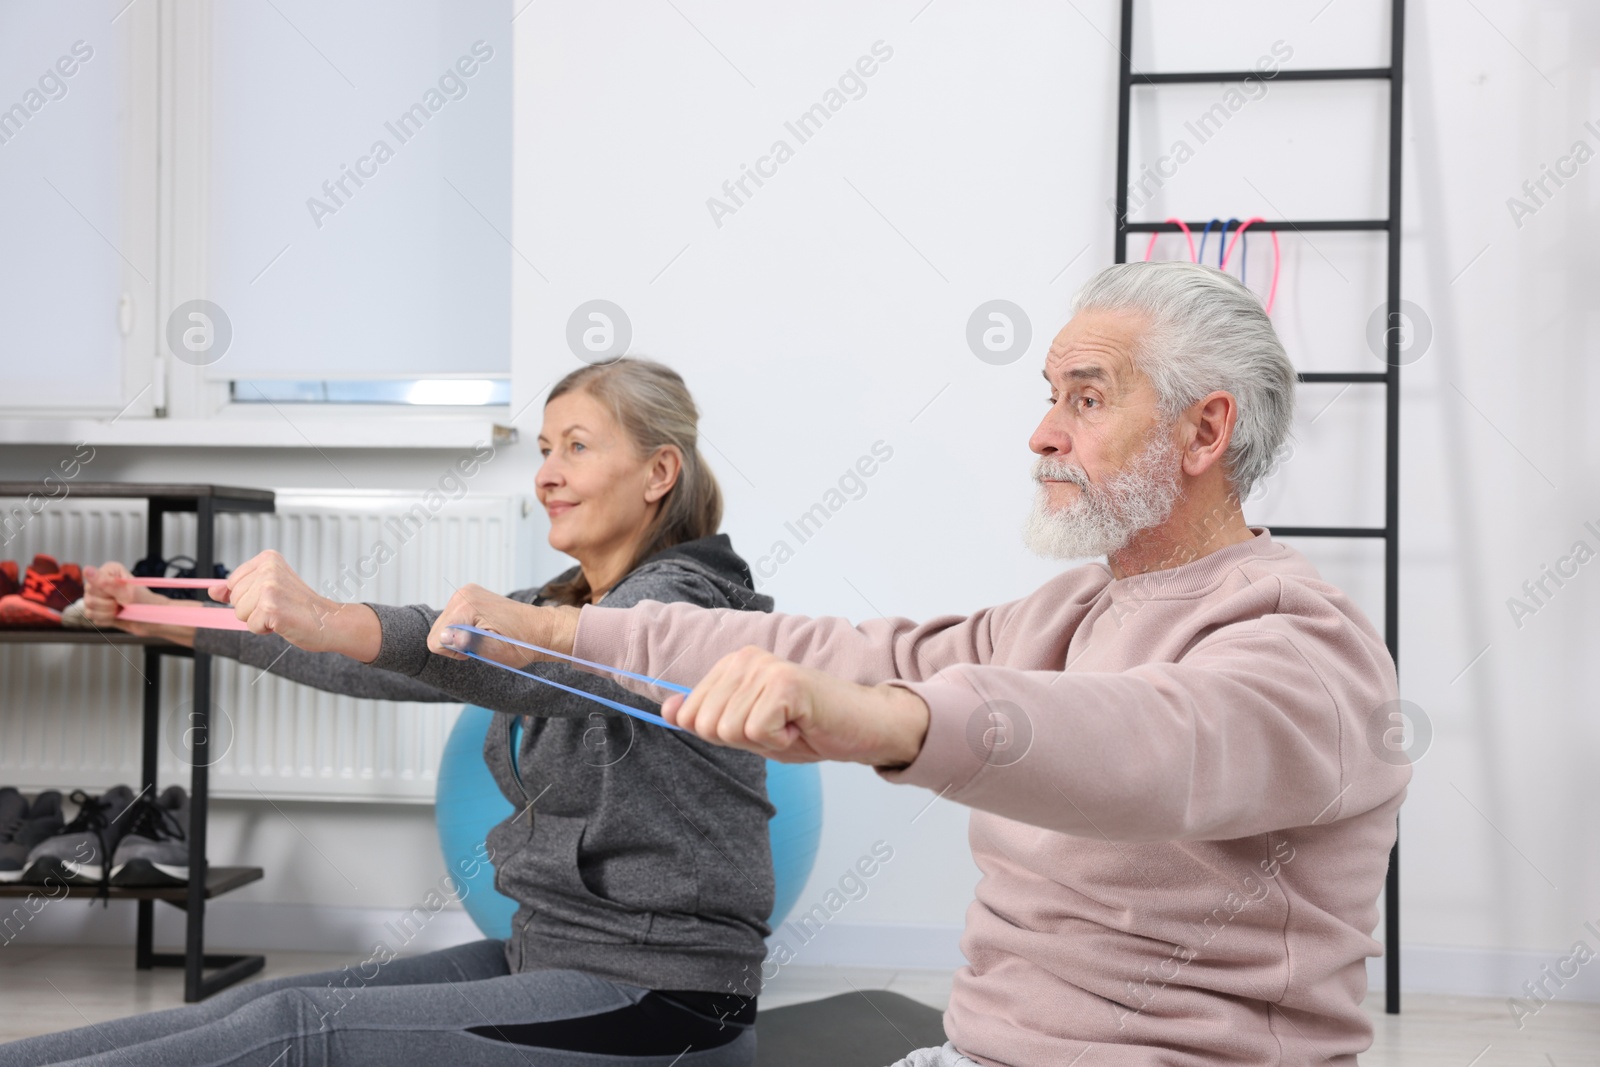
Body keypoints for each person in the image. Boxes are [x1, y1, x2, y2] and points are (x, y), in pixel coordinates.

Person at [416, 262, 1413, 1066]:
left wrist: (892, 719)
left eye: (1087, 397)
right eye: (1049, 396)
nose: (1042, 431)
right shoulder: (1068, 610)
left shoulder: (1307, 647)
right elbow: (842, 648)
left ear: (1205, 428)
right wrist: (566, 632)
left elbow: (1154, 745)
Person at [1, 358, 774, 1067]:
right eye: (543, 449)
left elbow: (524, 664)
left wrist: (337, 613)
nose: (546, 474)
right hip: (551, 954)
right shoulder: (564, 602)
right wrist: (186, 622)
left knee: (297, 1029)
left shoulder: (682, 608)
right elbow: (368, 664)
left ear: (659, 471)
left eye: (576, 446)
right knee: (263, 1002)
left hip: (666, 998)